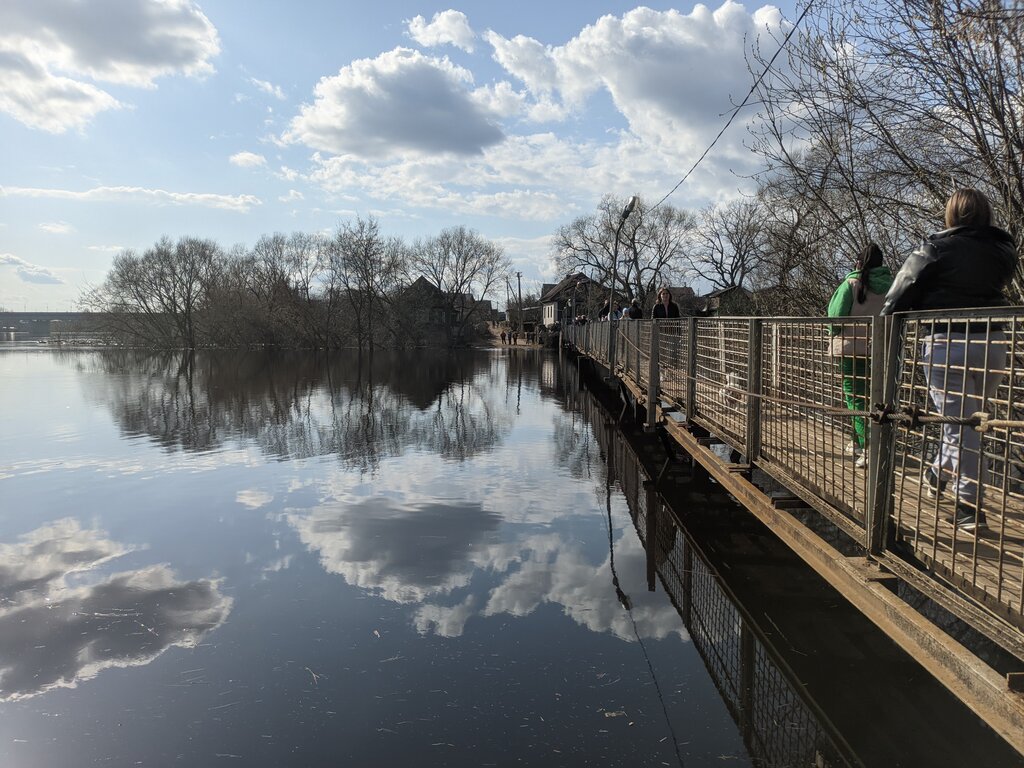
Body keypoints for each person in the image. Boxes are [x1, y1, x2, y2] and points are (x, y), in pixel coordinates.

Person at [881, 188, 1018, 532]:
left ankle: (969, 506)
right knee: (966, 419)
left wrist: (887, 325)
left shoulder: (935, 247)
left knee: (963, 424)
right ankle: (938, 471)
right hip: (992, 341)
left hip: (948, 342)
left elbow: (900, 290)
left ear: (952, 215)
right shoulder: (1004, 249)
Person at [827, 243, 893, 469]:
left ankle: (867, 448)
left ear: (859, 262)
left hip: (850, 349)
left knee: (855, 398)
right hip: (879, 349)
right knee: (875, 398)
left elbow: (835, 318)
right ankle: (857, 440)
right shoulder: (891, 285)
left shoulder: (851, 283)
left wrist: (834, 334)